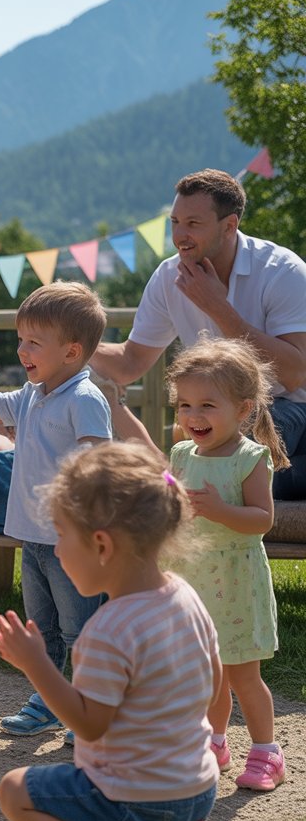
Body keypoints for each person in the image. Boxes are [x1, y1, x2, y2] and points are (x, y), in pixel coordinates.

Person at [0, 443, 230, 821]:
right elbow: (215, 677)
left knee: (14, 792)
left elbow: (90, 725)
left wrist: (37, 665)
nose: (56, 550)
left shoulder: (107, 630)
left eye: (60, 535)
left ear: (101, 545)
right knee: (166, 811)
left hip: (135, 801)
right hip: (198, 789)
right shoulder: (184, 595)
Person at [109, 337, 287, 792]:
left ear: (244, 408)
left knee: (244, 677)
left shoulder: (250, 458)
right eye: (184, 405)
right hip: (192, 583)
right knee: (208, 676)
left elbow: (262, 521)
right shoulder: (184, 453)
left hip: (236, 580)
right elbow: (169, 488)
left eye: (208, 405)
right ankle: (215, 743)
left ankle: (267, 753)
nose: (193, 417)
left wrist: (219, 509)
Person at [90, 168, 306, 498]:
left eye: (193, 224)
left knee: (229, 449)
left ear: (229, 225)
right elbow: (129, 363)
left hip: (288, 406)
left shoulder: (283, 271)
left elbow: (293, 375)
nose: (180, 236)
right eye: (175, 223)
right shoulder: (167, 277)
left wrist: (219, 308)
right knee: (218, 458)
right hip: (222, 414)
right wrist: (68, 343)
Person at [0, 282, 111, 740]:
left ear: (72, 351)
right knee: (41, 632)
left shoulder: (84, 400)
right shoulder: (31, 394)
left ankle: (89, 712)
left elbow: (96, 465)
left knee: (80, 633)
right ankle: (49, 702)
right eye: (21, 338)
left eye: (33, 342)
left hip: (72, 545)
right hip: (32, 536)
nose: (22, 349)